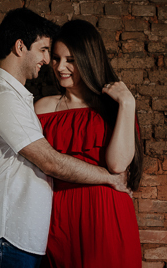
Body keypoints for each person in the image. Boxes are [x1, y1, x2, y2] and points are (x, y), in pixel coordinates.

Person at [0, 9, 130, 268]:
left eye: (68, 59)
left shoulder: (17, 97)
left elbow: (9, 154)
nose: (49, 61)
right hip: (10, 235)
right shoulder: (5, 97)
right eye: (45, 51)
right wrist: (110, 178)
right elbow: (49, 161)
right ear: (20, 47)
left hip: (31, 233)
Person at [34, 19, 143, 268]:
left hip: (107, 214)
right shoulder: (43, 108)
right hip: (58, 216)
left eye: (70, 60)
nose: (60, 67)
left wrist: (127, 104)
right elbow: (23, 156)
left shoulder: (113, 107)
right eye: (56, 58)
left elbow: (117, 165)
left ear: (88, 60)